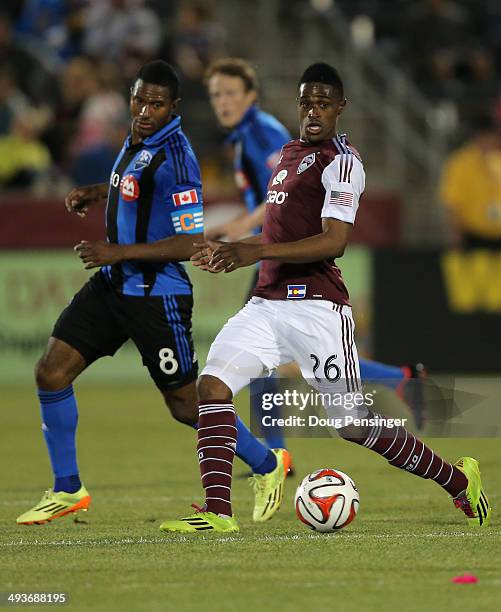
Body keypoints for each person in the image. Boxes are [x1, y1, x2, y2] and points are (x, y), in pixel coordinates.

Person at [159, 62, 491, 534]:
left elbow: (333, 241)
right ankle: (218, 513)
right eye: (306, 102)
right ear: (298, 105)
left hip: (317, 310)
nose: (313, 111)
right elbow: (272, 234)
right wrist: (232, 251)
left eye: (323, 103)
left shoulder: (344, 162)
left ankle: (459, 480)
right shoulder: (288, 156)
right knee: (212, 387)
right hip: (267, 305)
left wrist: (255, 250)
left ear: (340, 108)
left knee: (354, 426)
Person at [16, 60, 289, 526]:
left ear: (174, 108)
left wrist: (117, 252)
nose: (144, 110)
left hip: (156, 296)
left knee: (185, 405)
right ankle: (68, 488)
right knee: (51, 372)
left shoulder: (179, 158)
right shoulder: (139, 139)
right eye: (139, 100)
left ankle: (267, 464)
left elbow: (190, 242)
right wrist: (101, 191)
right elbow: (139, 188)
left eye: (156, 104)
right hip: (112, 287)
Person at [204, 57, 427, 435]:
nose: (222, 101)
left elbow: (293, 204)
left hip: (279, 254)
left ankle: (275, 455)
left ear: (251, 96)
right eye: (215, 95)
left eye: (230, 93)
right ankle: (399, 379)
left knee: (279, 364)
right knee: (278, 359)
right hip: (269, 249)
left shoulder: (263, 135)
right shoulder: (255, 138)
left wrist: (246, 235)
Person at [440, 114, 501, 248]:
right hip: (473, 236)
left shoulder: (498, 159)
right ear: (477, 137)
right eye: (487, 137)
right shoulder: (460, 163)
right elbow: (453, 203)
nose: (491, 141)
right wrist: (456, 235)